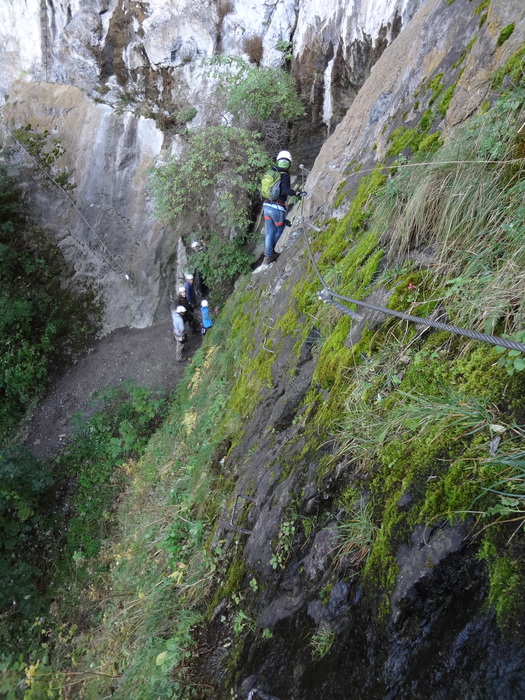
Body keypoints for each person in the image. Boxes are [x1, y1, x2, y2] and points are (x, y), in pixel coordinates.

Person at [262, 150, 306, 265]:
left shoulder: (271, 172)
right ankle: (269, 254)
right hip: (277, 208)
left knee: (270, 232)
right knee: (279, 229)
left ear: (278, 160)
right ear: (289, 163)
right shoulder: (285, 175)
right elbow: (285, 190)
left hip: (266, 206)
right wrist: (297, 193)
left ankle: (268, 254)